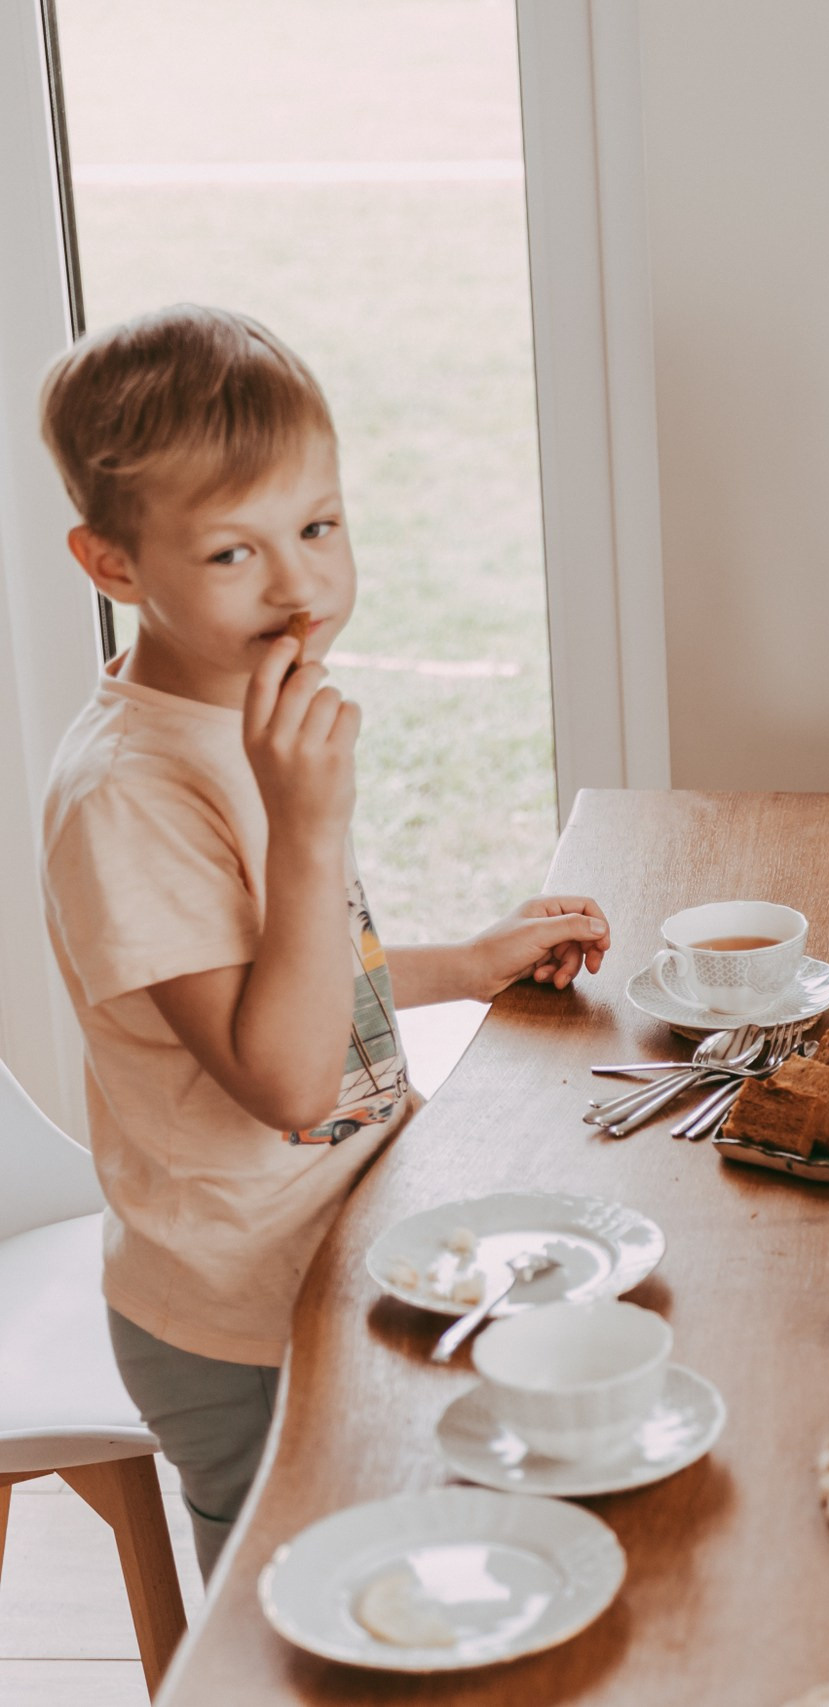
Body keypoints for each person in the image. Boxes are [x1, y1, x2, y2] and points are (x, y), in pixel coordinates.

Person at [37, 305, 612, 1571]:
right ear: (113, 565)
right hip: (236, 1309)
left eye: (318, 527)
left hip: (346, 1235)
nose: (301, 585)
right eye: (234, 552)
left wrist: (464, 962)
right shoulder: (129, 794)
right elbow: (286, 1077)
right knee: (303, 1618)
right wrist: (305, 827)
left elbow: (284, 982)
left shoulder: (245, 711)